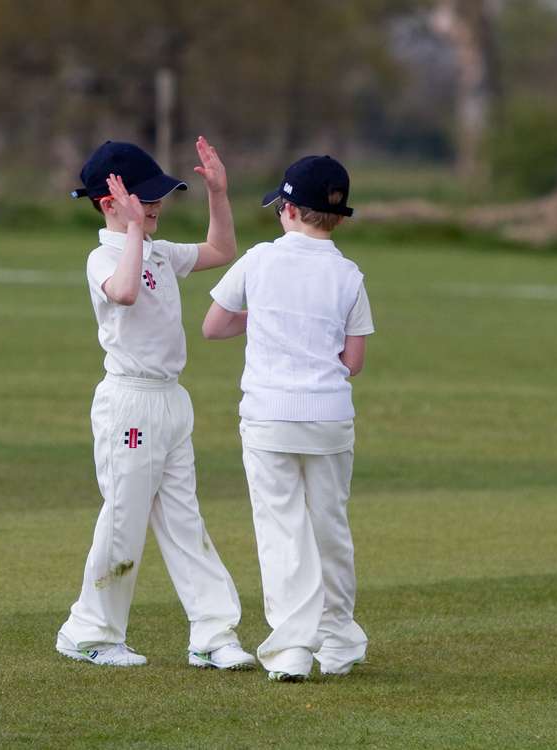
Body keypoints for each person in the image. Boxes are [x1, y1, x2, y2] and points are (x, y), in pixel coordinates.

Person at [56, 137, 255, 670]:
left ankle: (213, 635)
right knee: (124, 516)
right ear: (108, 204)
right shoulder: (104, 255)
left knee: (185, 519)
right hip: (129, 403)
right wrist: (135, 233)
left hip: (171, 401)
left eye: (156, 199)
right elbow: (122, 292)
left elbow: (221, 250)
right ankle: (90, 631)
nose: (156, 207)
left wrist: (218, 194)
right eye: (145, 201)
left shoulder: (161, 252)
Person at [202, 155, 374, 682]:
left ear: (292, 209)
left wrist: (266, 317)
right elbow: (354, 361)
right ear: (337, 215)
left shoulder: (259, 261)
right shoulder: (349, 274)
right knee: (330, 528)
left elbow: (214, 326)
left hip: (269, 417)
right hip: (328, 418)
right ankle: (340, 642)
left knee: (282, 531)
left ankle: (293, 650)